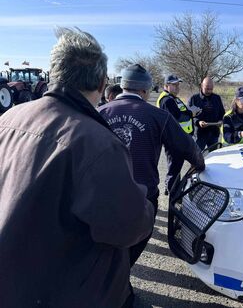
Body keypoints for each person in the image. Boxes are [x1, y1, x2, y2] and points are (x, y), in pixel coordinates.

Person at [0, 27, 154, 308]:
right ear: (101, 83)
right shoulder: (97, 143)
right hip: (69, 291)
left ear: (54, 75)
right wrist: (146, 205)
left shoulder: (9, 119)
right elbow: (127, 227)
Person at [98, 64, 205, 266]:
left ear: (122, 87)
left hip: (105, 196)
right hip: (142, 197)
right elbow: (188, 148)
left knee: (108, 245)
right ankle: (121, 276)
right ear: (145, 90)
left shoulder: (99, 113)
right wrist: (200, 165)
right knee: (136, 242)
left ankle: (112, 278)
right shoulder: (158, 116)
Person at [157, 74, 199, 194]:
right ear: (166, 85)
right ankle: (172, 195)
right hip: (174, 140)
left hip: (180, 138)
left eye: (178, 84)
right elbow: (175, 118)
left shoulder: (173, 98)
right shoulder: (167, 100)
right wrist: (192, 113)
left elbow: (180, 112)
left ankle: (172, 189)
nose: (177, 87)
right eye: (174, 85)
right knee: (174, 168)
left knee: (176, 167)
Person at [188, 77, 225, 150]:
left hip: (214, 133)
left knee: (214, 156)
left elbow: (222, 113)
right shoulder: (194, 99)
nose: (209, 91)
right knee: (197, 156)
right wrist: (198, 122)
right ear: (201, 85)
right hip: (199, 134)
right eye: (207, 88)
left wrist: (221, 120)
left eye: (211, 89)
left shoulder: (217, 98)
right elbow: (188, 116)